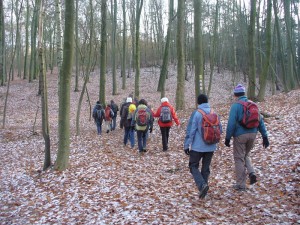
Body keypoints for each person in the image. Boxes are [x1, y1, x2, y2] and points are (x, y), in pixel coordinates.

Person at [225, 84, 269, 191]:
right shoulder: (253, 104)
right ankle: (252, 173)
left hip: (240, 135)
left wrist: (227, 138)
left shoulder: (235, 106)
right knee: (246, 154)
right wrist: (265, 136)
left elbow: (231, 123)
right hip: (253, 134)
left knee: (239, 158)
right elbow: (260, 121)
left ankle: (241, 185)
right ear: (244, 94)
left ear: (235, 95)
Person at [184, 94, 222, 199]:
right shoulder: (214, 113)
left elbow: (191, 131)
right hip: (211, 146)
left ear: (198, 102)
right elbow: (220, 129)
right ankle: (203, 190)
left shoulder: (196, 113)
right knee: (205, 168)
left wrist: (187, 145)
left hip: (197, 147)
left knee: (193, 166)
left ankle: (202, 186)